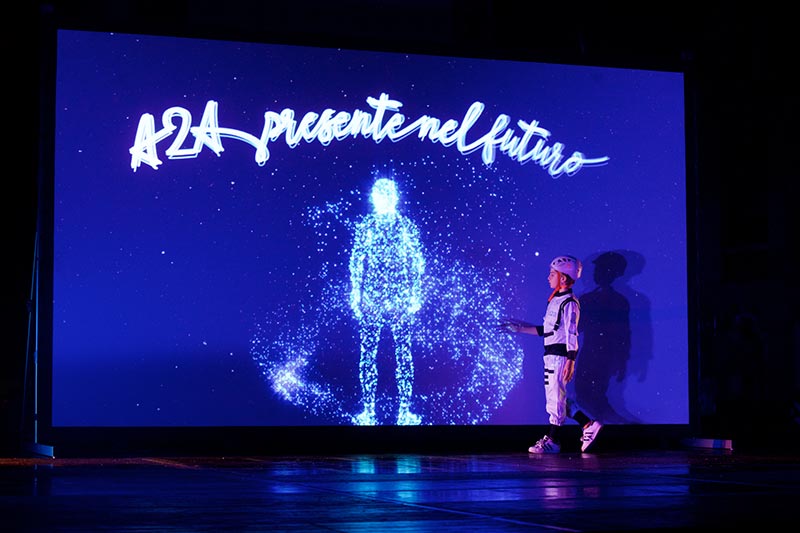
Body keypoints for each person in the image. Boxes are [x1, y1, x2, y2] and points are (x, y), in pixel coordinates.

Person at [501, 255, 602, 453]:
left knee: (555, 398)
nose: (548, 277)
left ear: (563, 278)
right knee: (559, 396)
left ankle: (553, 440)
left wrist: (571, 360)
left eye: (552, 274)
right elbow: (548, 330)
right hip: (550, 354)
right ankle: (588, 425)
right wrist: (519, 329)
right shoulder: (556, 300)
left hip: (559, 356)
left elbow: (571, 333)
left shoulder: (570, 303)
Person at [349, 177, 425, 426]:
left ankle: (402, 413)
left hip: (397, 300)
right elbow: (356, 263)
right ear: (374, 198)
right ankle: (369, 412)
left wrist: (415, 294)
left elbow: (416, 263)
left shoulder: (404, 226)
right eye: (379, 195)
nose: (383, 199)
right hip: (374, 299)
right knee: (371, 355)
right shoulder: (368, 226)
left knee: (401, 355)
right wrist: (356, 295)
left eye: (387, 195)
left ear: (394, 197)